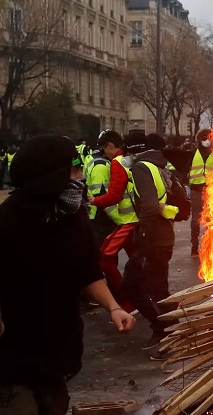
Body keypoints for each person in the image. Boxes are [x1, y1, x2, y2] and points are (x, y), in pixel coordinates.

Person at [0, 135, 134, 415]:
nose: (82, 176)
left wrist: (114, 307)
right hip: (9, 374)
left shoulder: (72, 219)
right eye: (75, 168)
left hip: (56, 367)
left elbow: (87, 270)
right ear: (50, 175)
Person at [123, 133, 189, 352]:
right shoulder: (158, 166)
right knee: (147, 286)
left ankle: (171, 336)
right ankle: (164, 330)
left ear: (133, 151)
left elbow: (150, 205)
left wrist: (143, 231)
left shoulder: (141, 168)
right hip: (161, 237)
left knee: (153, 289)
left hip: (154, 239)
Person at [93, 132, 147, 313]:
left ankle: (128, 300)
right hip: (142, 220)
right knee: (137, 262)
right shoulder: (141, 159)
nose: (103, 154)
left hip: (128, 222)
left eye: (103, 149)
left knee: (105, 258)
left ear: (110, 145)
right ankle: (146, 297)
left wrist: (94, 201)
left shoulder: (118, 163)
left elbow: (115, 195)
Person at [85, 130, 123, 251]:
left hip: (97, 218)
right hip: (101, 220)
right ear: (110, 145)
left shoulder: (93, 159)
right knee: (104, 257)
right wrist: (121, 221)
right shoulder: (101, 166)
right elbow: (103, 198)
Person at [189, 129, 213, 257]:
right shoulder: (192, 153)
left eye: (208, 138)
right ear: (199, 139)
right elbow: (185, 168)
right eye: (203, 138)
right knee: (196, 219)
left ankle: (209, 246)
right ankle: (194, 246)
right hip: (196, 189)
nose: (206, 140)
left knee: (210, 219)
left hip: (212, 190)